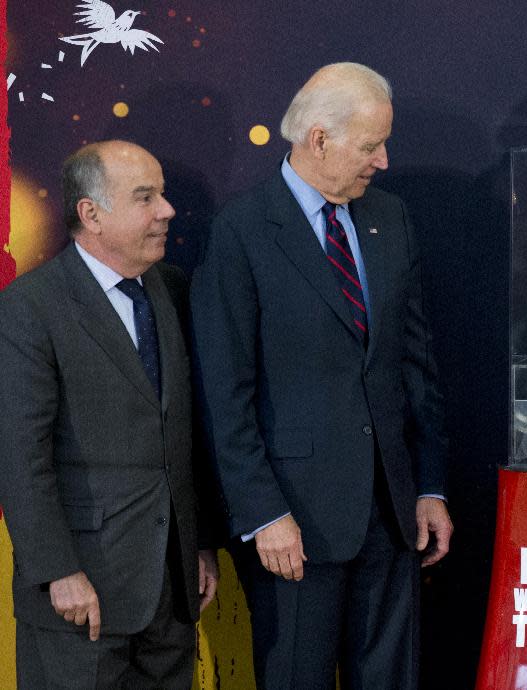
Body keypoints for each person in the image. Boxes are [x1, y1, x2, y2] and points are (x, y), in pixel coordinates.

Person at [190, 62, 452, 690]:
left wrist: (431, 486)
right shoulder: (242, 231)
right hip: (295, 526)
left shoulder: (391, 218)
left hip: (391, 521)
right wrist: (262, 512)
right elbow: (224, 391)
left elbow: (417, 366)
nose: (384, 161)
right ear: (319, 140)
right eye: (370, 146)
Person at [0, 140, 220, 689]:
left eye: (162, 194)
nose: (167, 211)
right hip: (80, 596)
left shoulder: (171, 288)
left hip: (171, 593)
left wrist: (197, 543)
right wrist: (58, 571)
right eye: (145, 197)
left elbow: (188, 432)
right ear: (91, 214)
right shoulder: (30, 307)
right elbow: (20, 453)